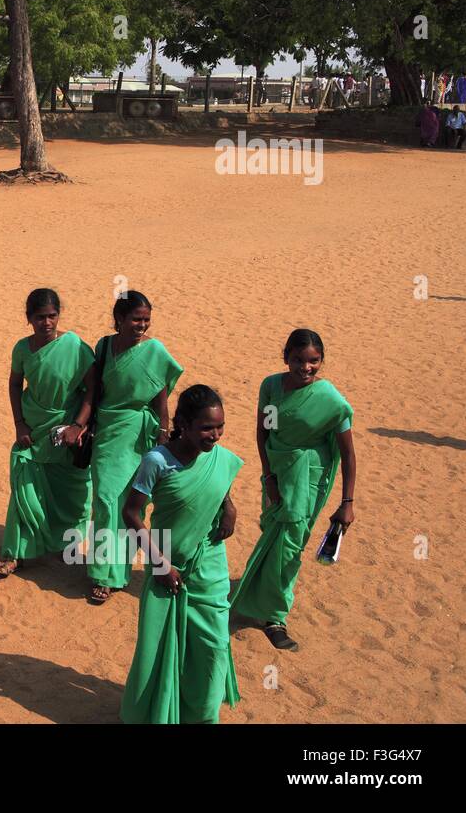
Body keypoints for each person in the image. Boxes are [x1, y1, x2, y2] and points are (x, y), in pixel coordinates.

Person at [120, 384, 242, 724]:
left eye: (219, 427)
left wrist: (229, 505)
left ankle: (202, 716)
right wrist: (159, 564)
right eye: (206, 428)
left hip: (211, 565)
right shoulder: (156, 461)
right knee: (159, 650)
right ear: (183, 424)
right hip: (168, 571)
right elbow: (131, 513)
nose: (215, 435)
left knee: (214, 646)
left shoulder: (217, 456)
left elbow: (219, 483)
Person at [230, 329, 355, 652]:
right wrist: (269, 475)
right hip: (276, 469)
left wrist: (347, 502)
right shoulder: (271, 386)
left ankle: (274, 615)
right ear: (285, 357)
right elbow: (264, 432)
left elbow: (349, 454)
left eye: (313, 361)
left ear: (321, 361)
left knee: (289, 545)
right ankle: (262, 593)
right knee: (271, 531)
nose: (305, 367)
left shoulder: (331, 400)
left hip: (307, 476)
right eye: (298, 359)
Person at [66, 291, 183, 604]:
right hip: (108, 431)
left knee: (129, 504)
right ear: (118, 319)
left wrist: (163, 434)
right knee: (105, 499)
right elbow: (94, 392)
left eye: (146, 320)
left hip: (138, 433)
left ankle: (113, 574)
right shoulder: (104, 346)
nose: (141, 325)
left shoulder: (154, 350)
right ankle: (103, 570)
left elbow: (161, 397)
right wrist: (80, 424)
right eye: (135, 319)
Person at [0, 289, 95, 577]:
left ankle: (68, 544)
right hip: (34, 428)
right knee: (24, 488)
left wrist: (77, 425)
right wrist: (19, 424)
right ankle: (16, 552)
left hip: (66, 431)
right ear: (29, 318)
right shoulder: (22, 349)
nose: (47, 323)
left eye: (52, 316)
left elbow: (92, 389)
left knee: (72, 490)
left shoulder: (75, 346)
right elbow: (14, 384)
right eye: (40, 317)